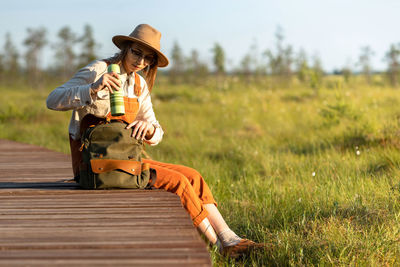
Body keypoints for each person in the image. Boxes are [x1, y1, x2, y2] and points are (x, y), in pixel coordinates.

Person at [46, 24, 264, 257]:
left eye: (148, 58)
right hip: (94, 167)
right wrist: (92, 88)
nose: (141, 61)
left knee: (193, 176)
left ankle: (231, 238)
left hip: (126, 162)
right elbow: (53, 99)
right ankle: (220, 248)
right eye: (136, 53)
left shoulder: (139, 84)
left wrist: (149, 129)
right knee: (178, 182)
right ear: (126, 49)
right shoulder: (98, 70)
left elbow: (157, 131)